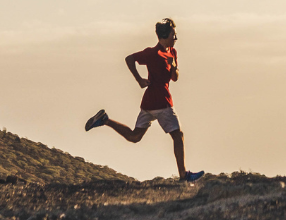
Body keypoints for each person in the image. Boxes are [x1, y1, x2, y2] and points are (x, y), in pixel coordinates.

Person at [85, 18, 204, 182]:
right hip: (162, 102)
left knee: (135, 136)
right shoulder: (152, 53)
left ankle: (105, 120)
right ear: (164, 36)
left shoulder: (172, 53)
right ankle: (184, 176)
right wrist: (139, 79)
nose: (175, 39)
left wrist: (174, 65)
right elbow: (129, 59)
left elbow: (175, 78)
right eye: (173, 35)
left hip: (149, 103)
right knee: (178, 136)